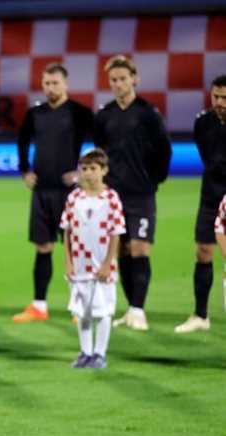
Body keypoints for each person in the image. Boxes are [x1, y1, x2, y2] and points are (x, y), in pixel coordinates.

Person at [94, 55, 171, 331]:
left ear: (134, 79)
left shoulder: (148, 113)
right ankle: (130, 309)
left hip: (141, 194)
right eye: (113, 80)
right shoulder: (104, 115)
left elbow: (164, 150)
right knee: (122, 250)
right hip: (113, 196)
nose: (118, 84)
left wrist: (153, 180)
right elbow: (100, 153)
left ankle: (138, 310)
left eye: (122, 79)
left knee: (140, 247)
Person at [13, 63, 94, 323]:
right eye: (46, 83)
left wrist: (82, 173)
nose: (50, 88)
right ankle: (39, 305)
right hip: (42, 191)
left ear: (66, 84)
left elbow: (102, 142)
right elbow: (22, 141)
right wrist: (25, 170)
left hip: (71, 194)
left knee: (75, 248)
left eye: (55, 83)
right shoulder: (35, 113)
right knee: (43, 247)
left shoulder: (80, 112)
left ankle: (79, 306)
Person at [61, 149, 125, 369]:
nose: (88, 173)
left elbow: (116, 233)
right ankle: (85, 352)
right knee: (82, 311)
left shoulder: (111, 198)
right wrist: (68, 261)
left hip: (102, 265)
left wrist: (108, 263)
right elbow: (67, 231)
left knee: (104, 310)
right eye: (84, 168)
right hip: (80, 265)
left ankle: (100, 353)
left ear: (104, 170)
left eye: (93, 168)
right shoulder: (74, 198)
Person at [175, 75, 226, 333]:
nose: (219, 102)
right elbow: (207, 157)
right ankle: (200, 315)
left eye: (224, 98)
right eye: (216, 96)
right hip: (211, 197)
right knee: (203, 252)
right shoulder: (202, 122)